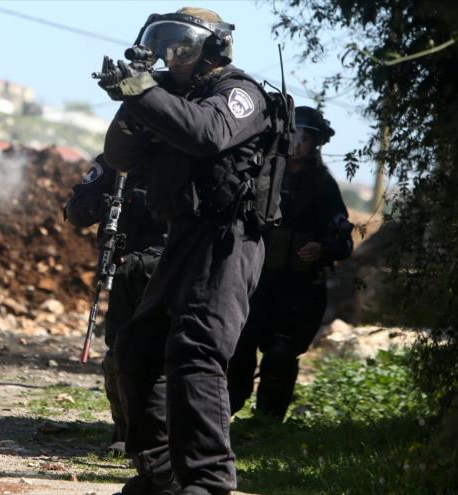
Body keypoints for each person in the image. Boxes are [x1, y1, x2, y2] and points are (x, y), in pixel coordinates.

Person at [97, 7, 283, 495]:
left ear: (214, 49)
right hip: (181, 236)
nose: (170, 58)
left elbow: (206, 133)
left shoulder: (239, 93)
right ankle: (161, 473)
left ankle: (207, 480)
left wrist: (147, 95)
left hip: (228, 238)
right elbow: (117, 156)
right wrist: (134, 100)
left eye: (182, 47)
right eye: (165, 47)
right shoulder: (168, 98)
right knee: (137, 348)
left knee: (196, 351)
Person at [227, 106, 353, 419]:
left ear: (315, 144)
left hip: (300, 290)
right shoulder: (262, 175)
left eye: (304, 137)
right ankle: (221, 415)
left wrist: (322, 247)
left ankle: (267, 421)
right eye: (292, 134)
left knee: (282, 355)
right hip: (256, 284)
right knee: (239, 350)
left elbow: (343, 240)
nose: (297, 142)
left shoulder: (323, 187)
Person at [64, 154, 168, 454]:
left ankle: (161, 437)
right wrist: (103, 205)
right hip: (124, 272)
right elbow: (75, 209)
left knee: (164, 357)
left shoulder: (181, 156)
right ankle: (125, 432)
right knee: (119, 355)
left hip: (168, 271)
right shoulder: (116, 161)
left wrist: (139, 202)